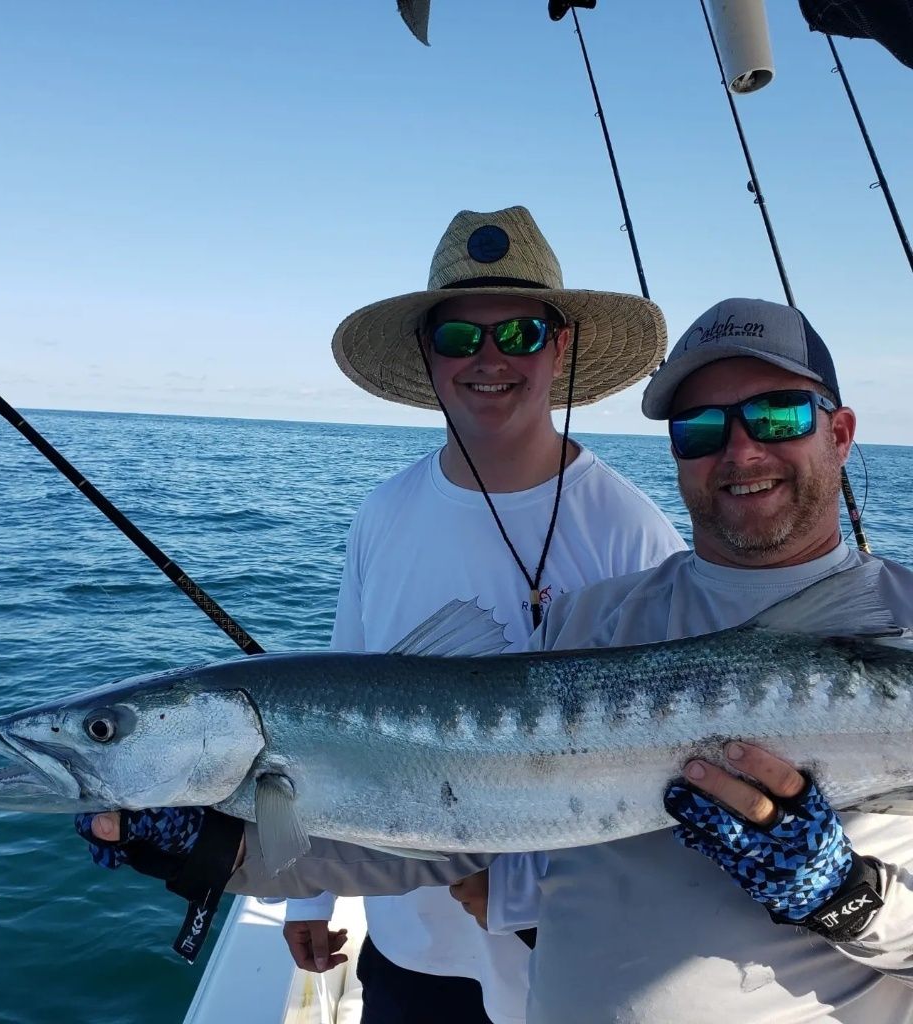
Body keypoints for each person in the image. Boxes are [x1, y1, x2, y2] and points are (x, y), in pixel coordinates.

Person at [84, 296, 913, 1023]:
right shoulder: (599, 619)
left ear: (839, 433)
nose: (740, 452)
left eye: (778, 417)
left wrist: (844, 897)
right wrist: (213, 854)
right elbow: (453, 822)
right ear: (677, 453)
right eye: (701, 428)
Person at [82, 205, 685, 1024]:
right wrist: (307, 896)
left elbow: (661, 767)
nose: (490, 360)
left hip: (568, 954)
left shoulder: (632, 529)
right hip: (408, 945)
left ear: (561, 345)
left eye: (520, 334)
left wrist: (507, 886)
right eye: (460, 339)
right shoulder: (384, 513)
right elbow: (325, 719)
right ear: (428, 356)